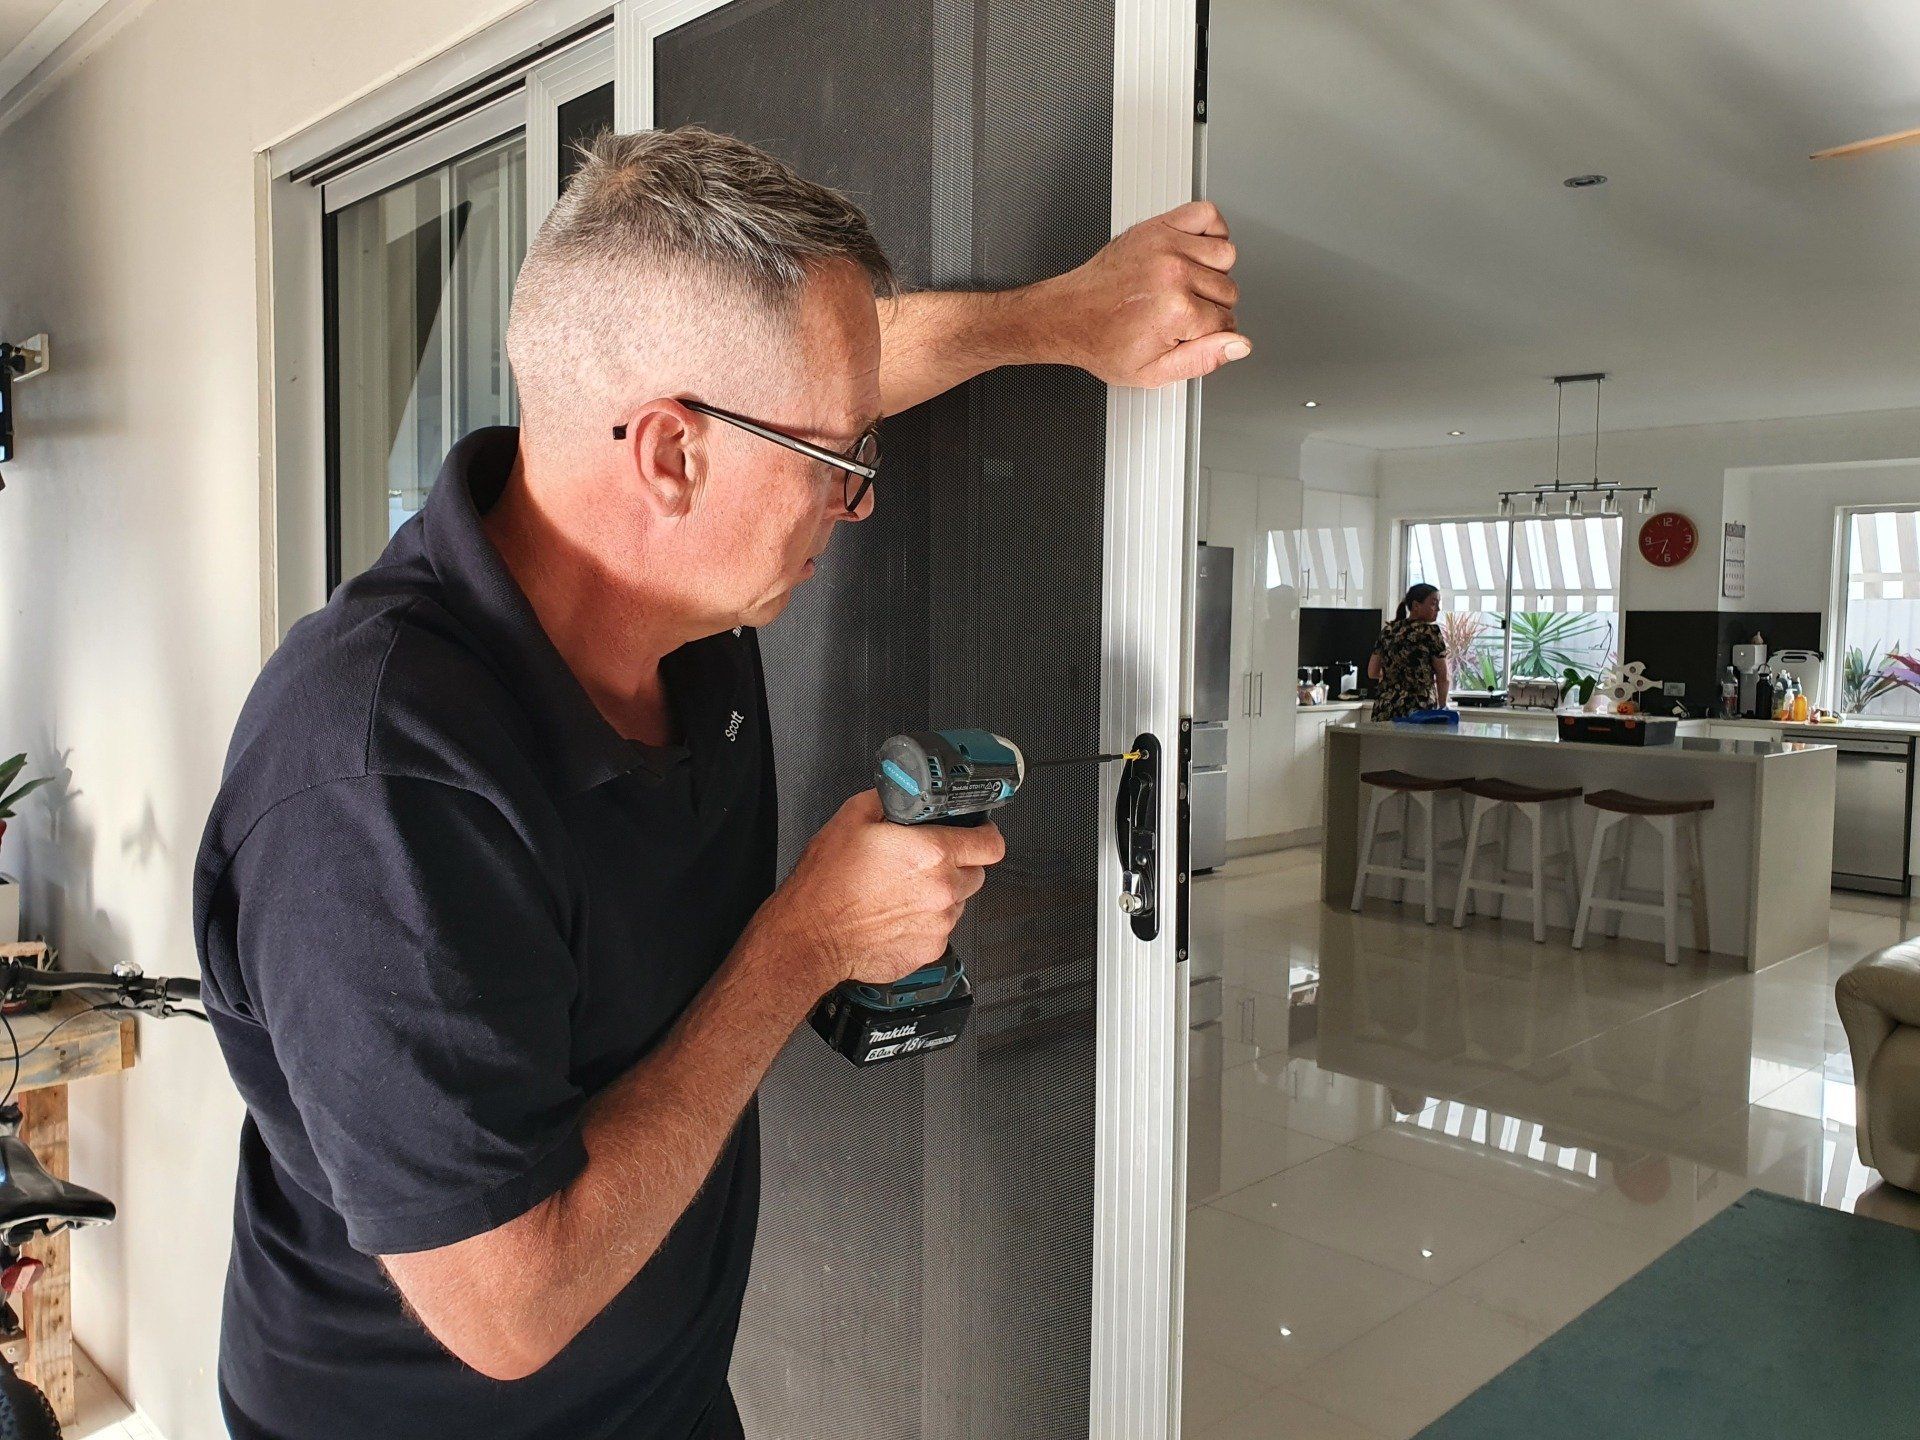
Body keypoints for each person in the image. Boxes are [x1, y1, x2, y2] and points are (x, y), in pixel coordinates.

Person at [192, 127, 1246, 1440]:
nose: (858, 504)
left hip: (665, 1399)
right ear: (672, 456)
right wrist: (806, 941)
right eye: (841, 468)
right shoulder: (376, 780)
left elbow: (803, 388)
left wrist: (1059, 321)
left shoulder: (684, 600)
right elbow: (506, 1309)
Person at [1368, 582, 1450, 720]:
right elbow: (1443, 677)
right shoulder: (1430, 632)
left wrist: (1395, 677)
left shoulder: (1388, 631)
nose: (1438, 609)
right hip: (1418, 709)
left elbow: (1372, 672)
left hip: (1385, 708)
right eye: (1433, 603)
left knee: (1383, 742)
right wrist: (1443, 706)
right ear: (1416, 606)